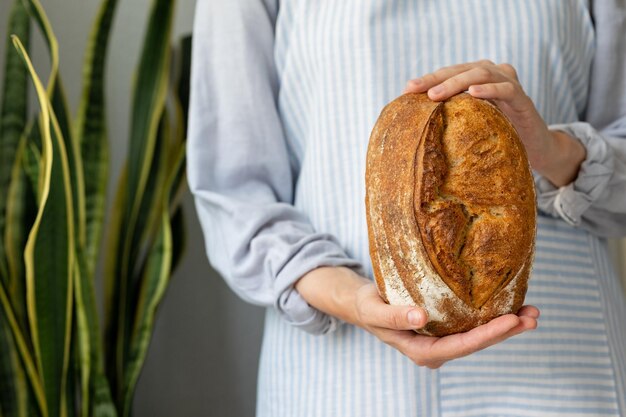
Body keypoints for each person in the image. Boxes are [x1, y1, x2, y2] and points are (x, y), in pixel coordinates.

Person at [187, 1, 626, 415]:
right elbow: (234, 190)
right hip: (348, 374)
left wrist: (551, 149)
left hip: (564, 365)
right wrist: (349, 297)